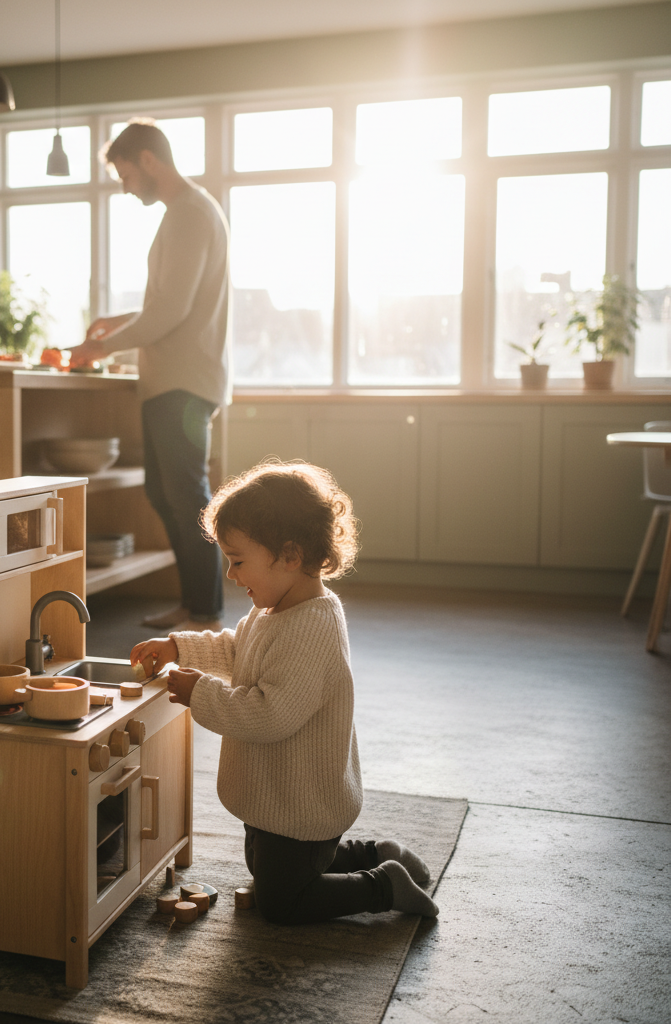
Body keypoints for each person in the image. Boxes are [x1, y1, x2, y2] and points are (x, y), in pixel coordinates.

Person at [129, 461, 439, 924]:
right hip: (276, 791)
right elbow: (238, 652)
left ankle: (383, 885)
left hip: (303, 796)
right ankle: (376, 852)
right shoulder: (274, 610)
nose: (231, 575)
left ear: (290, 556)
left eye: (237, 560)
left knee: (282, 900)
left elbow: (271, 714)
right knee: (269, 867)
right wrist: (179, 645)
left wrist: (202, 694)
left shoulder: (312, 625)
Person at [68, 120, 229, 633]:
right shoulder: (188, 212)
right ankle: (195, 606)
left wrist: (99, 346)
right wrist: (117, 322)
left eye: (125, 173)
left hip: (182, 384)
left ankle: (203, 612)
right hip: (176, 380)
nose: (124, 185)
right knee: (168, 494)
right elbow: (164, 303)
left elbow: (171, 311)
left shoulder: (188, 215)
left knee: (186, 496)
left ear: (148, 161)